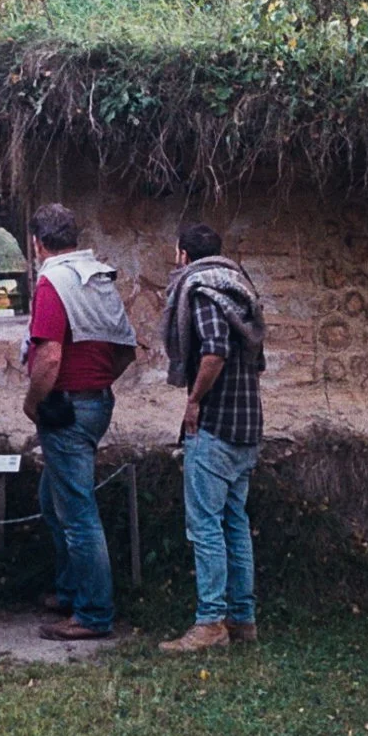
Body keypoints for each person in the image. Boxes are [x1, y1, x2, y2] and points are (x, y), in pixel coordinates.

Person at [23, 202, 138, 642]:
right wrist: (98, 382)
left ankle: (92, 613)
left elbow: (50, 356)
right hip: (95, 402)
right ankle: (72, 589)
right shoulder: (98, 277)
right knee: (54, 498)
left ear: (37, 243)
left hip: (66, 406)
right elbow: (126, 348)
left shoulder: (53, 281)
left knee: (77, 514)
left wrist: (33, 402)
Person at [158, 222, 266, 653]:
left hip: (216, 424)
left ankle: (210, 622)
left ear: (184, 254)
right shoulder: (242, 289)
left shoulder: (200, 290)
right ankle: (243, 619)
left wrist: (194, 401)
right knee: (235, 521)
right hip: (248, 423)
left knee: (204, 526)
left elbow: (215, 349)